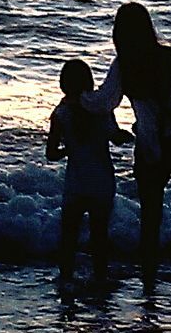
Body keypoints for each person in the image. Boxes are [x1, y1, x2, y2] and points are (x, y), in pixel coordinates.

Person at [83, 2, 171, 281]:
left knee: (151, 215)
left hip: (151, 149)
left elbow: (105, 101)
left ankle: (149, 276)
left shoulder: (124, 65)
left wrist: (78, 98)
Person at [47, 58, 133, 282]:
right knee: (99, 235)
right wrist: (130, 134)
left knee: (69, 236)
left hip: (76, 183)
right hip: (102, 181)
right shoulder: (101, 110)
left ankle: (66, 280)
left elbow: (51, 154)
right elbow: (116, 138)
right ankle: (100, 279)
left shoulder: (60, 114)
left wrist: (70, 150)